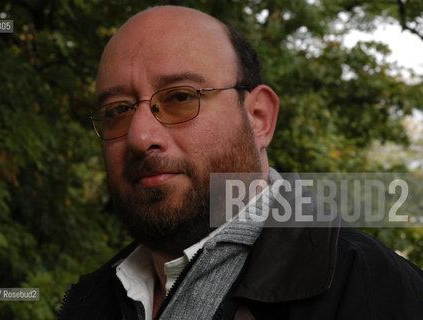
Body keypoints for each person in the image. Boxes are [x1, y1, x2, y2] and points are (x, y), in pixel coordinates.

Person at [60, 5, 423, 320]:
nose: (140, 136)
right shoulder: (89, 300)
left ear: (259, 118)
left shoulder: (374, 290)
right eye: (118, 110)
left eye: (181, 97)